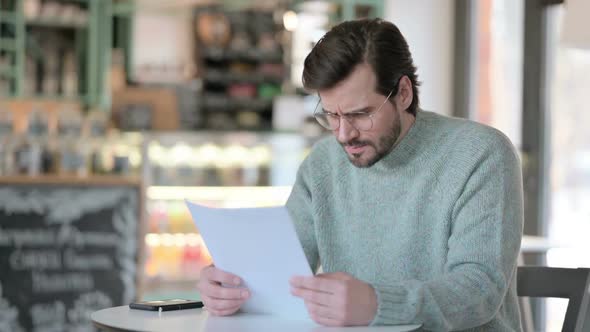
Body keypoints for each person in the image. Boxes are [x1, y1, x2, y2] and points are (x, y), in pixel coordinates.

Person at [197, 18, 523, 331]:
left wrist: (377, 304)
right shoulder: (322, 164)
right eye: (331, 115)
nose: (343, 134)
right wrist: (232, 286)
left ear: (404, 94)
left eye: (360, 114)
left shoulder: (481, 154)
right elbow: (283, 273)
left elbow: (479, 291)